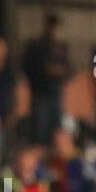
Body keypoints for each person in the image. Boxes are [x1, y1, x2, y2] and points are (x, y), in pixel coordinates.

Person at [22, 13, 71, 144]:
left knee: (56, 130)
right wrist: (45, 70)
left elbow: (69, 68)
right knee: (40, 130)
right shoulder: (37, 46)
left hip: (56, 93)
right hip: (40, 93)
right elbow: (27, 67)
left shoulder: (61, 47)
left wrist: (59, 72)